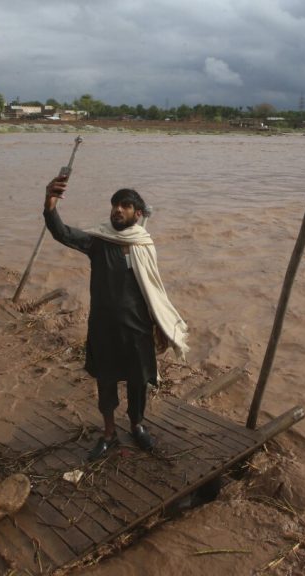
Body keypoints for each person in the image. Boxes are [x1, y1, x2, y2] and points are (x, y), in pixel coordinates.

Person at [44, 174, 188, 461]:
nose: (117, 210)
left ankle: (136, 425)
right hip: (103, 328)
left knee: (138, 382)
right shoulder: (98, 242)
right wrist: (49, 204)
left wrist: (159, 324)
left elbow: (154, 291)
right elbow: (62, 233)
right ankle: (108, 433)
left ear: (138, 213)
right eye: (115, 205)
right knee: (106, 382)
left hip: (137, 329)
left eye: (125, 205)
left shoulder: (144, 245)